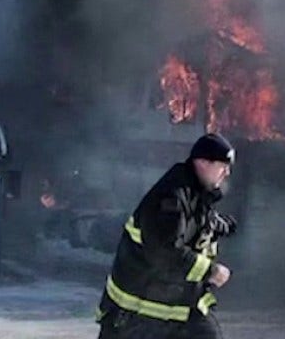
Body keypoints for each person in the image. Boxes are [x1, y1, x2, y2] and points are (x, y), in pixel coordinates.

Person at [96, 133, 239, 339]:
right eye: (222, 165)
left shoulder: (194, 191)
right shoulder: (171, 199)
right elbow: (164, 252)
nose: (226, 173)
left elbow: (197, 221)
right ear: (203, 163)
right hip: (136, 314)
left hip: (174, 308)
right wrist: (210, 271)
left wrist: (222, 225)